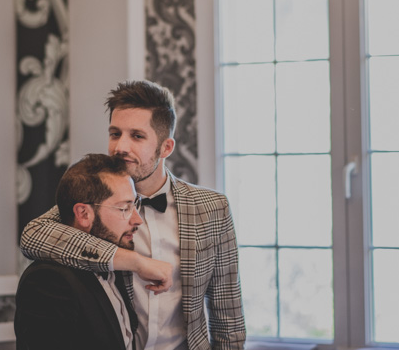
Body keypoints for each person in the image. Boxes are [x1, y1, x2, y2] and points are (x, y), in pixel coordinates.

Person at [21, 80, 245, 350]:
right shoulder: (95, 201)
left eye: (137, 136)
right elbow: (33, 236)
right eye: (115, 133)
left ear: (166, 148)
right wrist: (136, 262)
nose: (120, 147)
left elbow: (227, 318)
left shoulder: (212, 208)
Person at [14, 153, 143, 350]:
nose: (137, 220)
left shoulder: (114, 266)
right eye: (124, 208)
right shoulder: (47, 281)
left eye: (134, 205)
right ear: (84, 214)